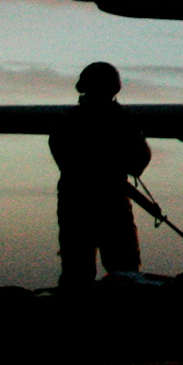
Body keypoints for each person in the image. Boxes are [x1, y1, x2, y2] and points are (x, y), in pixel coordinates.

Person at [48, 62, 152, 287]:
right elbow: (139, 160)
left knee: (81, 276)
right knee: (123, 277)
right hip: (105, 206)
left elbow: (62, 156)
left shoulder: (69, 121)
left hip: (80, 205)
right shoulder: (122, 121)